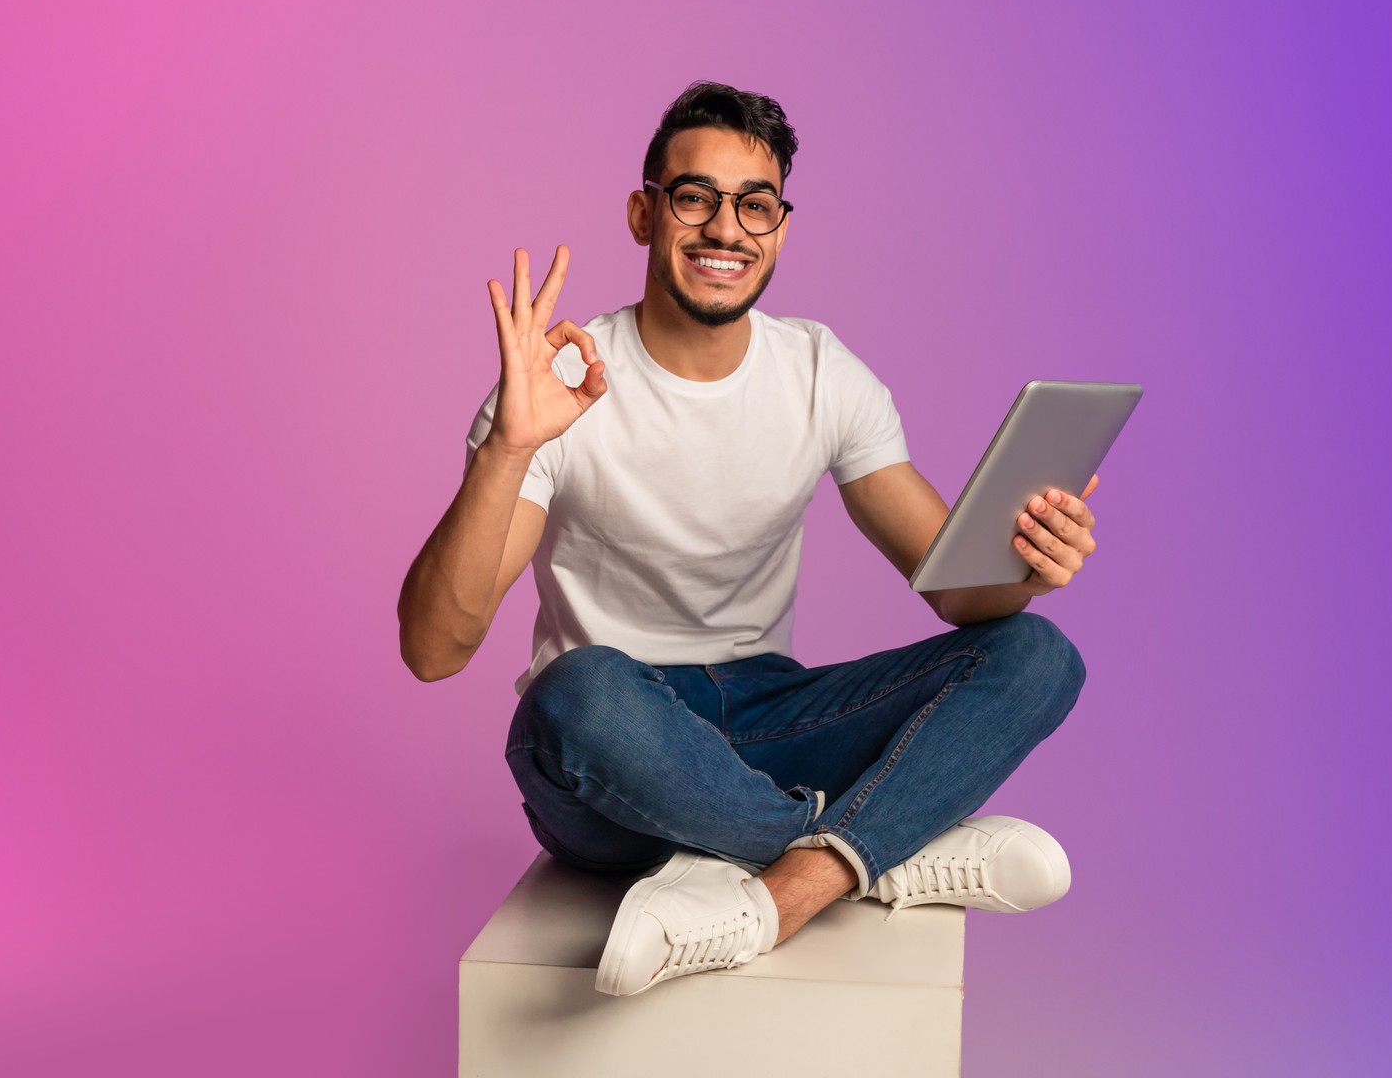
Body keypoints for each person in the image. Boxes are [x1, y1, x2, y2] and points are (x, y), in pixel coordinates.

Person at [396, 81, 1105, 997]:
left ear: (779, 227)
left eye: (755, 204)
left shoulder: (818, 371)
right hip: (614, 751)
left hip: (769, 721)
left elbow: (956, 591)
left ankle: (790, 879)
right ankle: (884, 842)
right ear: (644, 212)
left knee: (1037, 654)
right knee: (579, 692)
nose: (724, 228)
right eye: (694, 197)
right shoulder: (558, 386)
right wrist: (509, 447)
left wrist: (1025, 566)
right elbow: (432, 649)